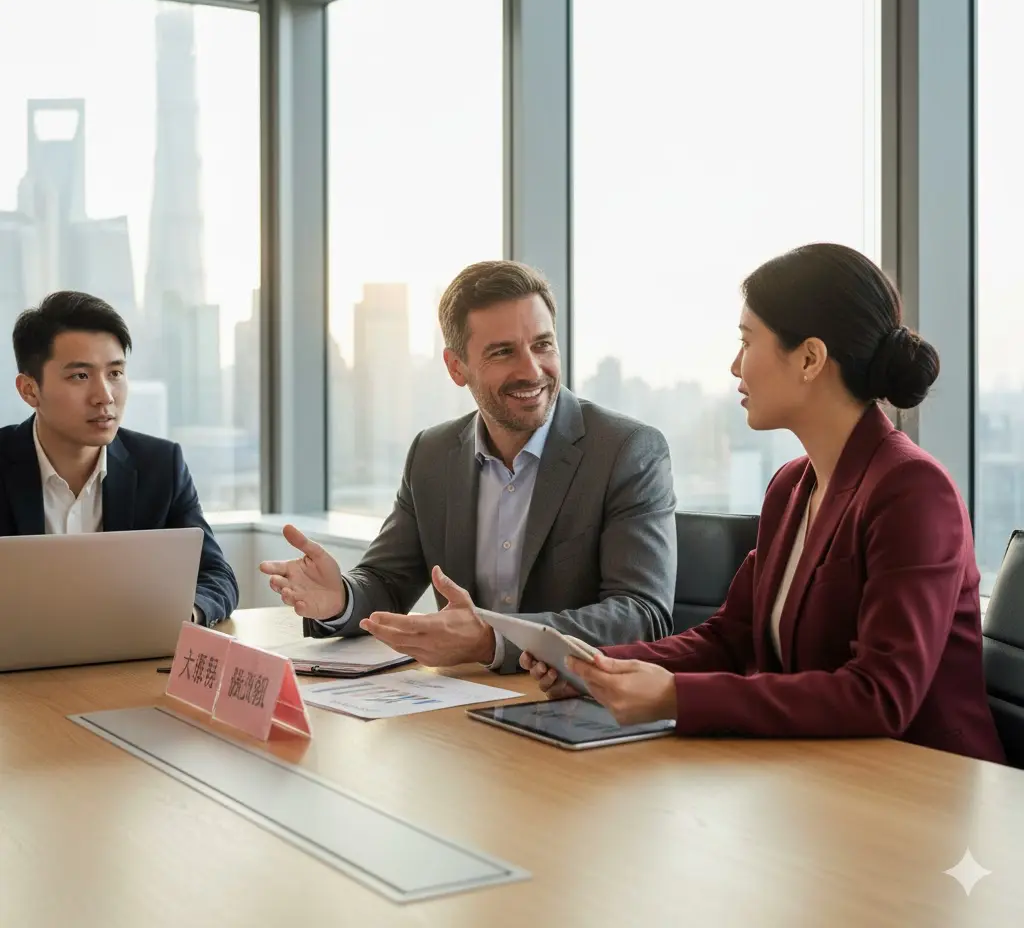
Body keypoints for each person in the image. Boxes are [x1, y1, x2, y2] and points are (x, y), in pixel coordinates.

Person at [524, 243, 1006, 765]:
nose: (735, 365)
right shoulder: (792, 486)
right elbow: (732, 638)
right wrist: (596, 664)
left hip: (928, 793)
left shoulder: (912, 490)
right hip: (822, 777)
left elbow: (881, 695)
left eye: (747, 341)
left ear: (809, 358)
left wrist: (676, 697)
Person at [260, 260, 677, 672]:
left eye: (542, 345)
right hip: (461, 704)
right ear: (456, 367)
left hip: (577, 707)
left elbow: (642, 616)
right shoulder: (432, 454)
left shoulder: (626, 451)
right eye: (503, 352)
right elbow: (387, 581)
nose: (531, 370)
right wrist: (341, 599)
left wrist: (493, 640)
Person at [0, 291, 238, 627]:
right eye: (80, 376)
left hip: (128, 669)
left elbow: (216, 576)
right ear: (29, 390)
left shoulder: (160, 466)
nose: (105, 396)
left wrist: (182, 616)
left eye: (115, 373)